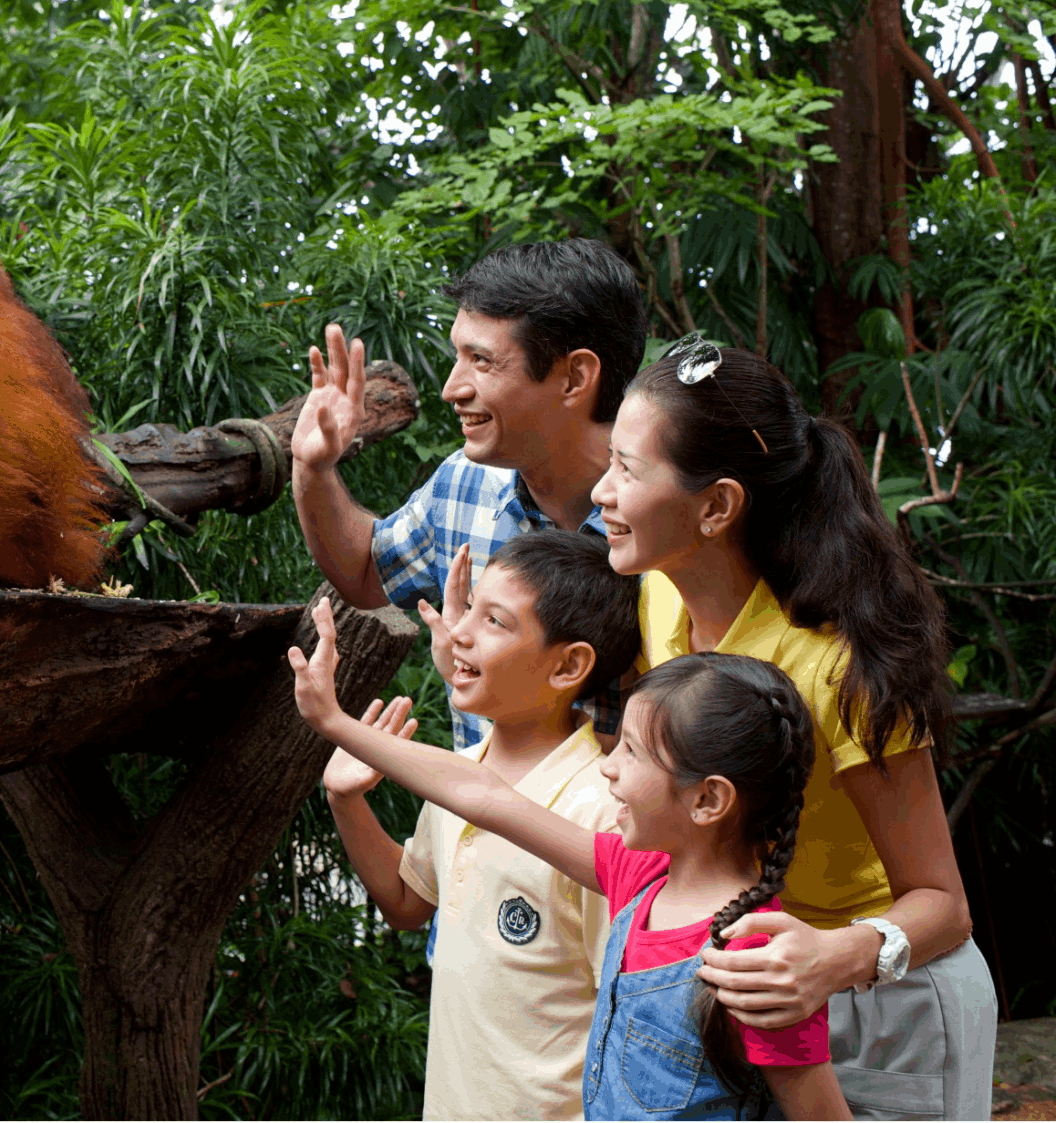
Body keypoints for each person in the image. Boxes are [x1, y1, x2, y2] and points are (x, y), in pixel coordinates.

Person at [592, 338, 996, 1119]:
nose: (602, 492)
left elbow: (943, 904)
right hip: (771, 990)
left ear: (715, 506)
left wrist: (833, 956)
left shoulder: (834, 668)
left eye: (628, 470)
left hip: (891, 1000)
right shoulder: (660, 597)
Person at [294, 625, 854, 1121]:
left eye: (632, 753)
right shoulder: (639, 876)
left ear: (708, 800)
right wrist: (335, 723)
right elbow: (483, 795)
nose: (608, 765)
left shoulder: (759, 965)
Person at [321, 529, 638, 1119]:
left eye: (494, 621)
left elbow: (628, 1022)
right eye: (469, 609)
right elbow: (409, 904)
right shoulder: (458, 777)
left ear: (569, 665)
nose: (458, 632)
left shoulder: (598, 815)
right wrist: (347, 802)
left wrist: (333, 720)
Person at [292, 239, 647, 750]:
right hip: (476, 821)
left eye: (481, 360)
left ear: (575, 376)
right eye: (458, 355)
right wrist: (313, 468)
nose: (451, 388)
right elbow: (367, 574)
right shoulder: (464, 480)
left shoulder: (671, 515)